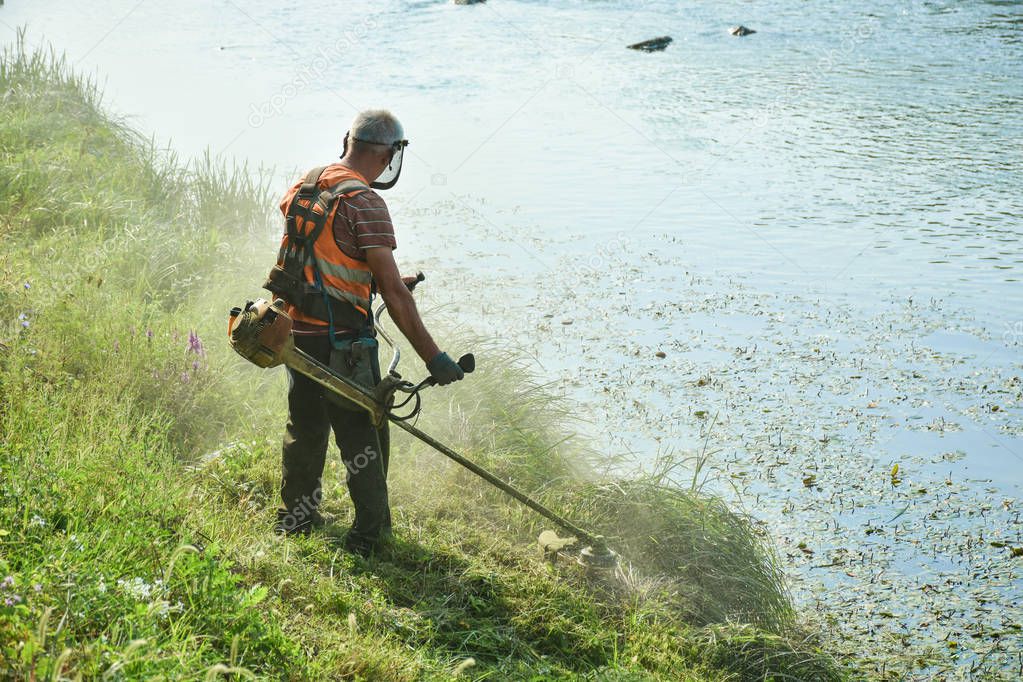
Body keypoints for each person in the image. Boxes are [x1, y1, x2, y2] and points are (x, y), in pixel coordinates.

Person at [271, 109, 464, 554]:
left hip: (296, 332)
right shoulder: (367, 203)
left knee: (305, 426)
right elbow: (397, 298)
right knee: (362, 433)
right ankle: (372, 536)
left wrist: (371, 281)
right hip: (345, 344)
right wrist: (435, 358)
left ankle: (297, 518)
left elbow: (318, 260)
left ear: (348, 141)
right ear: (389, 155)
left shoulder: (307, 184)